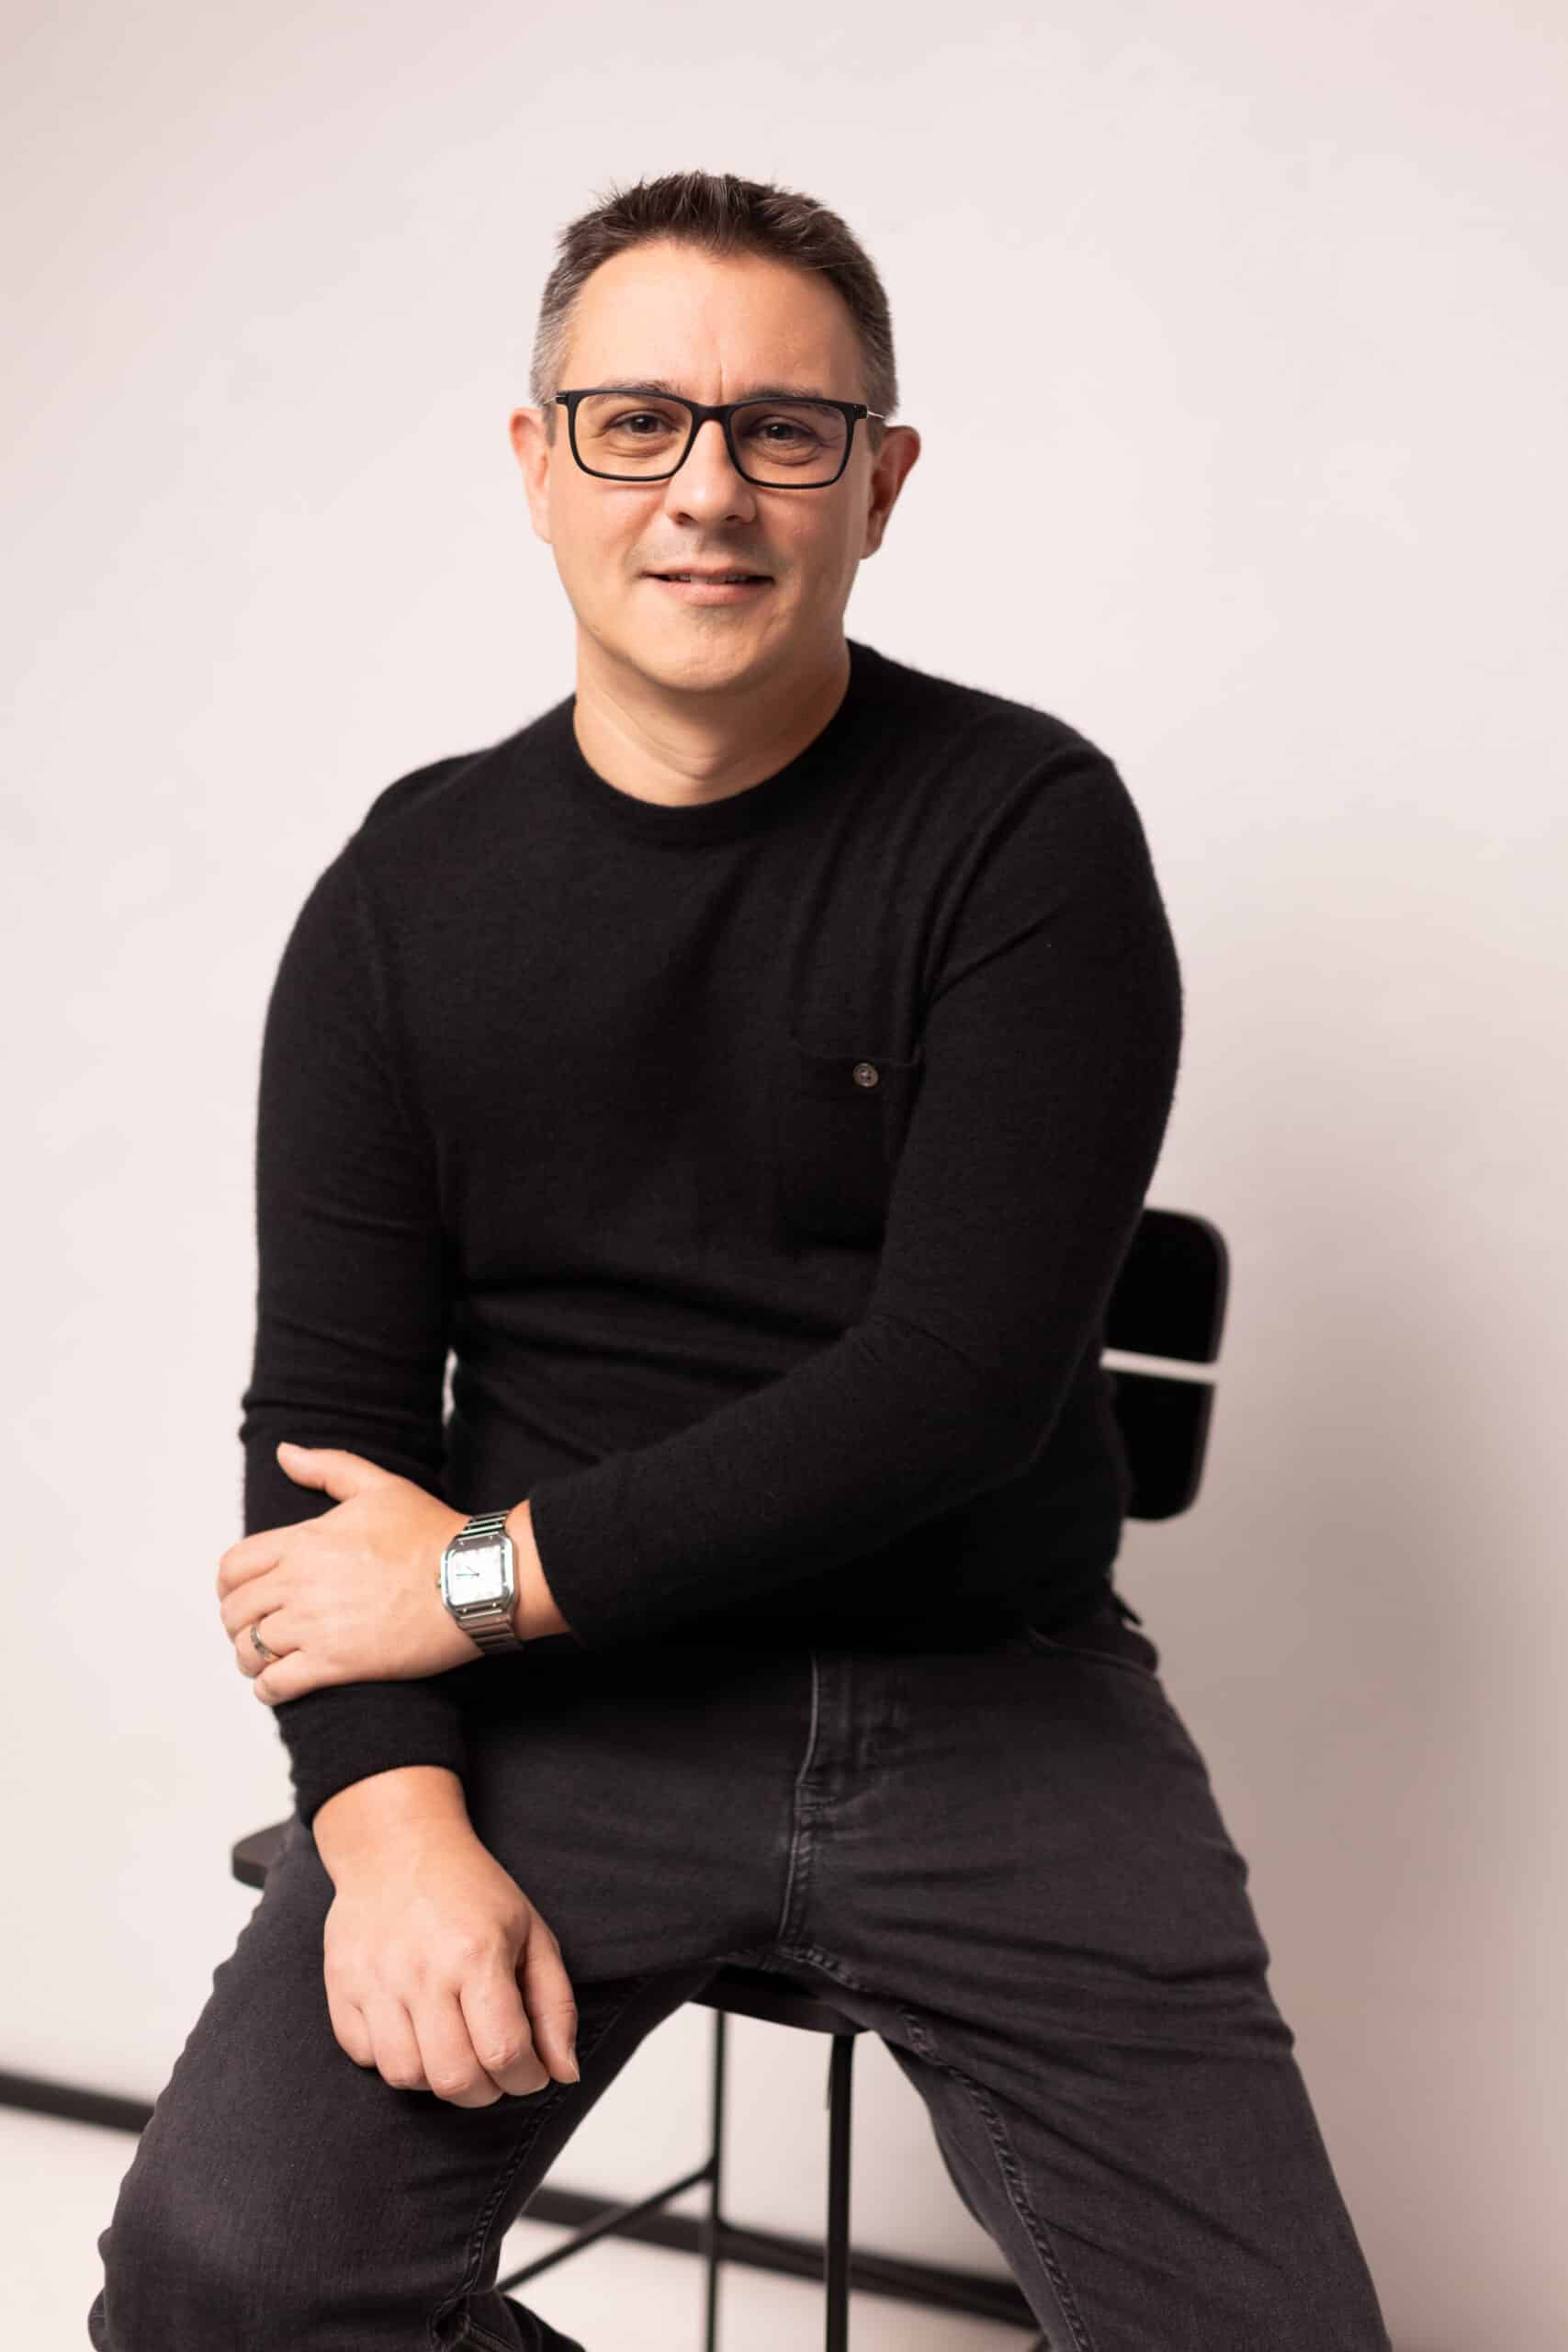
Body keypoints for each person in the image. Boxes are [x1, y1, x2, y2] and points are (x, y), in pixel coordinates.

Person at [88, 169, 1393, 2351]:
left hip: (988, 1699)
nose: (707, 488)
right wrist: (392, 1813)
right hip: (565, 1724)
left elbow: (959, 1382)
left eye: (784, 430)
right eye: (636, 421)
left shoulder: (1020, 831)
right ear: (537, 466)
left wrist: (474, 1574)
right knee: (222, 2284)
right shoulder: (408, 893)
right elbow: (322, 1430)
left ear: (878, 483)